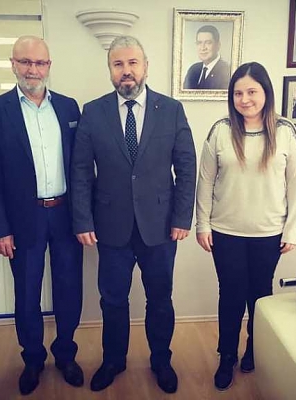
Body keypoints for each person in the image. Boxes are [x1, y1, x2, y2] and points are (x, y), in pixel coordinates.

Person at [71, 35, 196, 394]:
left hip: (161, 226)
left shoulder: (171, 110)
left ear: (145, 67)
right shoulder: (93, 112)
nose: (126, 71)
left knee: (160, 299)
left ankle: (161, 360)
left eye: (132, 63)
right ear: (110, 69)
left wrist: (182, 218)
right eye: (118, 64)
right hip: (111, 226)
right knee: (112, 300)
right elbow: (81, 171)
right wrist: (82, 220)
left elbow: (186, 167)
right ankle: (113, 360)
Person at [0, 36, 84, 395]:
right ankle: (33, 359)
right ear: (13, 64)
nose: (32, 69)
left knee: (69, 289)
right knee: (26, 294)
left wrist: (84, 217)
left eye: (39, 63)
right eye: (25, 62)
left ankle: (66, 354)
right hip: (23, 219)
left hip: (65, 214)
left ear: (49, 66)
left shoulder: (68, 108)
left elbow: (80, 168)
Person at [195, 62, 296, 391]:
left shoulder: (285, 131)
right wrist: (202, 224)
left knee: (260, 295)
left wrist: (292, 230)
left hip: (268, 233)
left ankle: (256, 350)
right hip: (225, 231)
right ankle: (226, 355)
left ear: (266, 93)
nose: (245, 99)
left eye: (252, 92)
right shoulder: (220, 130)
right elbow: (205, 181)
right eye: (238, 93)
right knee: (230, 294)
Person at [183, 25, 231, 90]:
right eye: (199, 43)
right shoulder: (193, 70)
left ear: (218, 45)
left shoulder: (226, 71)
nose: (203, 48)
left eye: (208, 43)